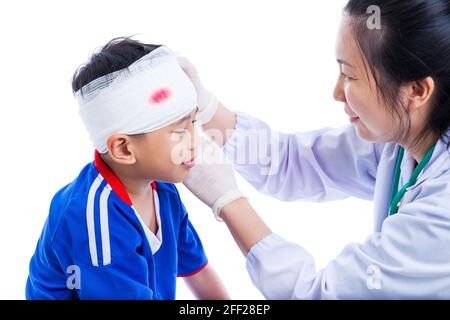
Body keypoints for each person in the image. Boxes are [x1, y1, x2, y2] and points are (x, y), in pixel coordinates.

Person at [181, 0, 450, 299]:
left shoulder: (443, 212)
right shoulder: (400, 139)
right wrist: (206, 108)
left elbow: (319, 295)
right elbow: (291, 162)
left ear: (416, 91)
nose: (336, 93)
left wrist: (229, 201)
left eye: (350, 76)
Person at [26, 37, 228, 300]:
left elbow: (198, 272)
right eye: (179, 130)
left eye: (193, 121)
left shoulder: (162, 189)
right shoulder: (96, 219)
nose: (195, 141)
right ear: (123, 149)